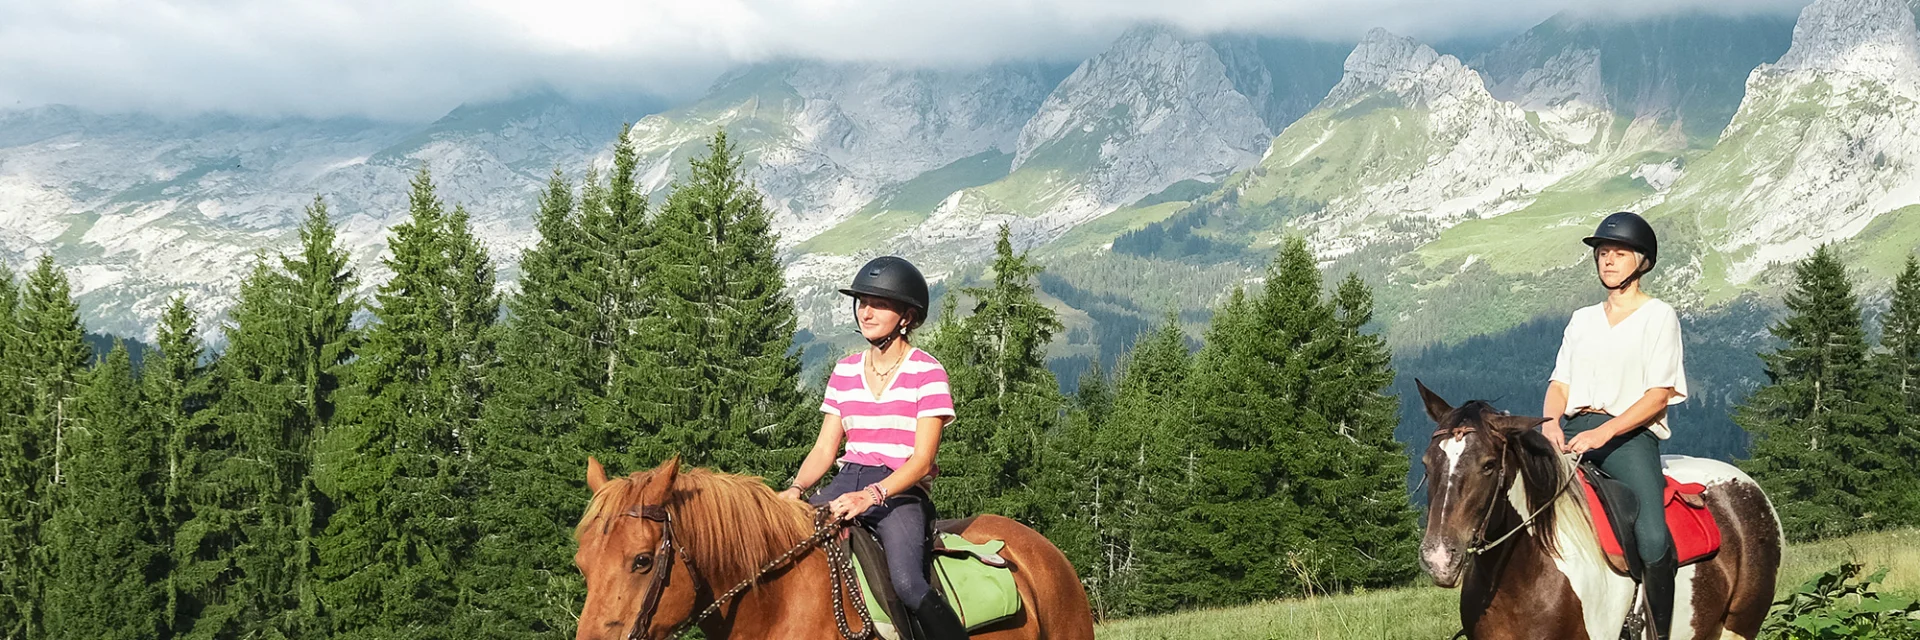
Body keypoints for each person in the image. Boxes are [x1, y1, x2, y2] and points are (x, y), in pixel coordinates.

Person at [777, 255, 966, 640]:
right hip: (846, 479)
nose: (866, 311)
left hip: (900, 491)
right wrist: (795, 491)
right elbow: (825, 449)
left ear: (907, 316)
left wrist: (872, 495)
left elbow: (922, 459)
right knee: (782, 548)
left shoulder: (927, 372)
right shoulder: (845, 371)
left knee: (908, 583)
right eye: (862, 302)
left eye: (878, 304)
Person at [1539, 211, 1689, 639]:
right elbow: (1560, 382)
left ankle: (1657, 631)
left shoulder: (1659, 316)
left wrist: (1604, 432)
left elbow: (1658, 395)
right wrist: (1550, 423)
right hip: (1571, 430)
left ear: (1641, 262)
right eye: (1603, 253)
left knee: (1653, 538)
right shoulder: (1582, 319)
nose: (1607, 260)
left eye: (1619, 253)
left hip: (1628, 436)